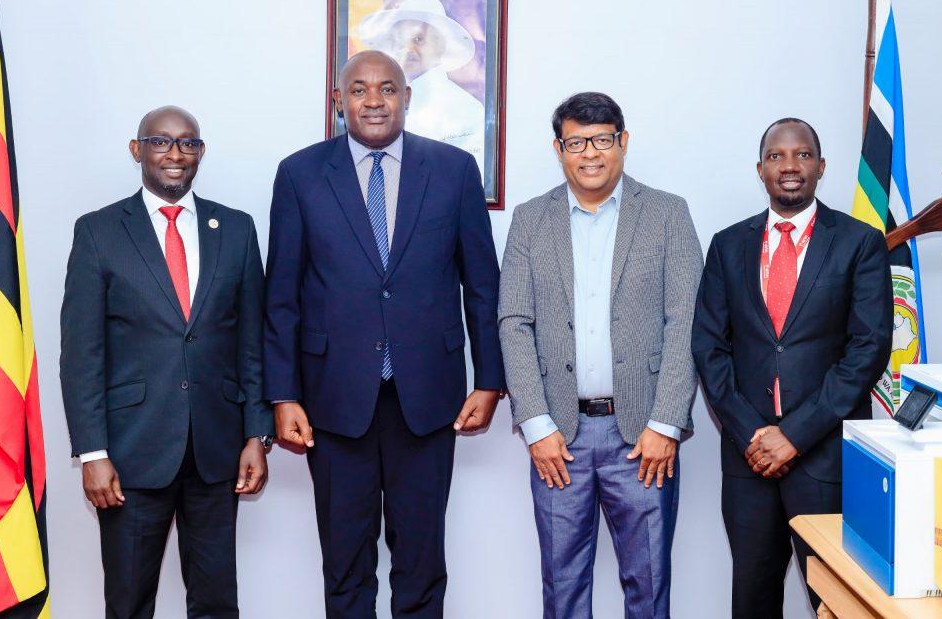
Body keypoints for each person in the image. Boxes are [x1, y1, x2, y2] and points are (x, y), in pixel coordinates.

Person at [264, 50, 505, 617]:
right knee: (345, 564)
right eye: (360, 89)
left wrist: (490, 379)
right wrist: (283, 394)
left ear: (407, 97)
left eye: (388, 88)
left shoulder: (453, 170)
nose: (374, 100)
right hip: (332, 400)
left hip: (428, 400)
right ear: (339, 100)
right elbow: (282, 296)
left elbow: (482, 284)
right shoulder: (299, 173)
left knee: (421, 562)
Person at [60, 106, 273, 618]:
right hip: (130, 455)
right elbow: (81, 352)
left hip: (217, 452)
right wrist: (92, 454)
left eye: (187, 143)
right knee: (130, 602)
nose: (175, 154)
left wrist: (256, 434)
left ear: (201, 152)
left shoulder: (237, 229)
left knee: (217, 601)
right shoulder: (98, 232)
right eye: (160, 142)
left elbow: (251, 343)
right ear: (137, 150)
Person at [498, 92, 703, 617]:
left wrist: (666, 424)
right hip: (558, 438)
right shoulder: (529, 220)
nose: (590, 153)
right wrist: (536, 425)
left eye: (603, 140)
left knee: (648, 586)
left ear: (623, 143)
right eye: (576, 142)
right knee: (562, 588)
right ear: (559, 149)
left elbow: (686, 323)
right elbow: (514, 322)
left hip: (641, 438)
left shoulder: (667, 214)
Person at [691, 118, 893, 618]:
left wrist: (795, 435)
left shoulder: (859, 242)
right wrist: (753, 435)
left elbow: (867, 350)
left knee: (840, 603)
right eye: (777, 156)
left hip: (825, 460)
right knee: (753, 600)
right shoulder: (727, 245)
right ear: (760, 169)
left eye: (802, 155)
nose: (789, 166)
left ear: (821, 167)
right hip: (748, 461)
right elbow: (709, 347)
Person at [356, 0, 486, 177]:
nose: (408, 49)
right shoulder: (375, 107)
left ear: (441, 44)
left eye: (418, 39)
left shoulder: (467, 109)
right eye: (400, 41)